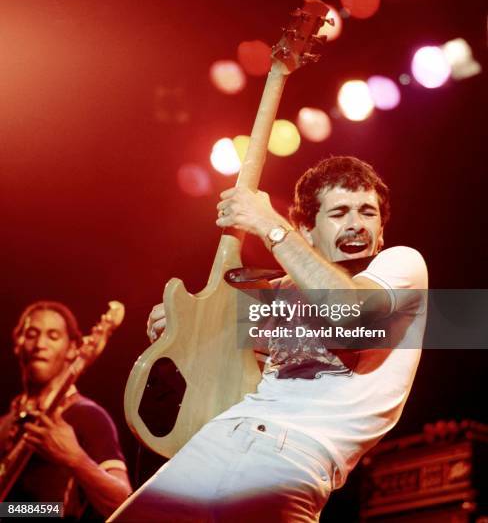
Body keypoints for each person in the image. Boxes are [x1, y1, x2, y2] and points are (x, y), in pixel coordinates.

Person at [110, 156, 428, 522]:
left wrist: (268, 224)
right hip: (216, 441)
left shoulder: (400, 266)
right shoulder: (276, 292)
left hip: (291, 460)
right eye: (339, 213)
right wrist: (182, 326)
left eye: (368, 212)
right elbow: (213, 363)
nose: (356, 224)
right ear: (307, 231)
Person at [0, 301, 132, 521]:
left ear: (72, 349)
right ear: (17, 343)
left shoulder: (88, 416)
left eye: (53, 336)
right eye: (32, 334)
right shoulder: (5, 424)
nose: (40, 344)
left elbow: (125, 503)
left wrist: (76, 459)